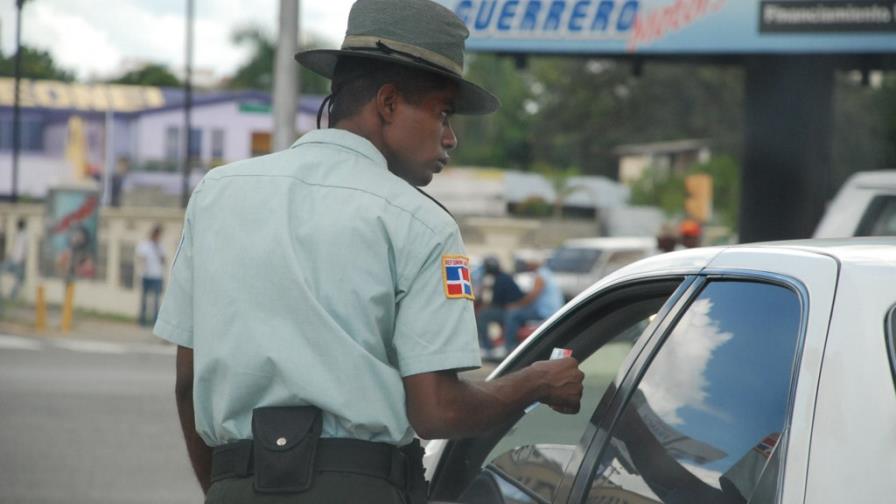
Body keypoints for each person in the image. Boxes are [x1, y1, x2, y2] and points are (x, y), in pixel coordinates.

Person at [153, 1, 584, 502]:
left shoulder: (217, 193)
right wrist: (535, 383)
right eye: (442, 112)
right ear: (388, 103)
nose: (450, 137)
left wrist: (226, 487)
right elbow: (437, 410)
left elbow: (187, 381)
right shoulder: (420, 223)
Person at [503, 259, 565, 354]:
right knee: (520, 314)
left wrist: (516, 305)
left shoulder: (540, 276)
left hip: (545, 311)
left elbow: (532, 297)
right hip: (552, 310)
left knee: (513, 315)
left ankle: (510, 347)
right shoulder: (547, 273)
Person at [475, 256, 524, 359]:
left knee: (483, 315)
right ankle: (491, 346)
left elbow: (497, 300)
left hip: (511, 310)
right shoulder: (501, 277)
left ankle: (488, 348)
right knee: (485, 313)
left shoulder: (501, 279)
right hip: (510, 309)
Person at [137, 224, 165, 326]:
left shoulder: (160, 247)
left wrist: (158, 251)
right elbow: (140, 258)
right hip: (146, 275)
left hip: (157, 276)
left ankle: (155, 321)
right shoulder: (145, 245)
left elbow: (163, 260)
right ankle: (142, 320)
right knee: (144, 298)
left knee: (156, 300)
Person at [2, 218, 28, 301]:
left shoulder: (24, 236)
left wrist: (23, 259)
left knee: (19, 279)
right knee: (19, 279)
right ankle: (11, 295)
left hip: (18, 261)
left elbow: (24, 249)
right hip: (14, 260)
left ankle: (12, 296)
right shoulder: (18, 234)